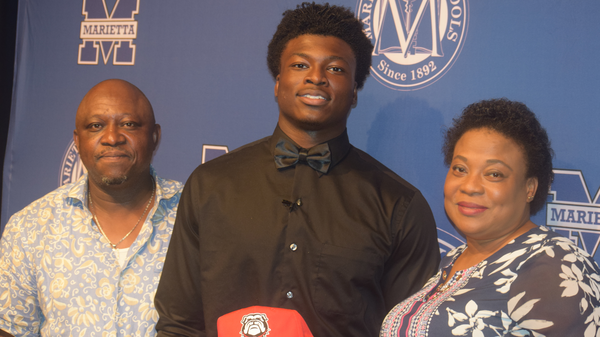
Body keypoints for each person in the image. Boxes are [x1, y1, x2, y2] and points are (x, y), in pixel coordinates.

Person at [154, 3, 440, 337]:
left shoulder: (398, 207)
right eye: (300, 64)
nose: (316, 77)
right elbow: (179, 323)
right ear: (278, 83)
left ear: (355, 93)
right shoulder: (210, 185)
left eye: (335, 69)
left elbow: (411, 330)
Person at [380, 98, 600, 337]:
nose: (470, 186)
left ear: (530, 188)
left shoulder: (556, 265)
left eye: (494, 174)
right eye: (460, 169)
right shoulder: (451, 260)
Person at [0, 79, 183, 337]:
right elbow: (12, 328)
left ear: (154, 137)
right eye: (96, 126)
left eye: (129, 124)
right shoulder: (30, 227)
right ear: (77, 141)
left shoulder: (195, 216)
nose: (112, 138)